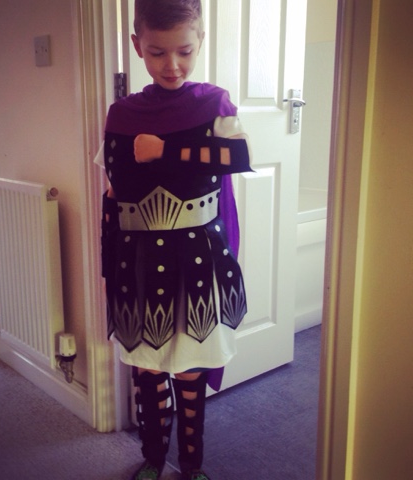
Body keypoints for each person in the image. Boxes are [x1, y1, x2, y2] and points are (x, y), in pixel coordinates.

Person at [97, 1, 253, 478]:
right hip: (138, 258)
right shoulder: (122, 113)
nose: (172, 65)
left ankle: (190, 464)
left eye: (184, 51)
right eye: (157, 52)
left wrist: (164, 150)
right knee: (147, 368)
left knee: (189, 370)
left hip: (197, 258)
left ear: (200, 40)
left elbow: (237, 156)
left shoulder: (214, 103)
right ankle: (151, 457)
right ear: (136, 45)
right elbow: (114, 192)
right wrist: (107, 267)